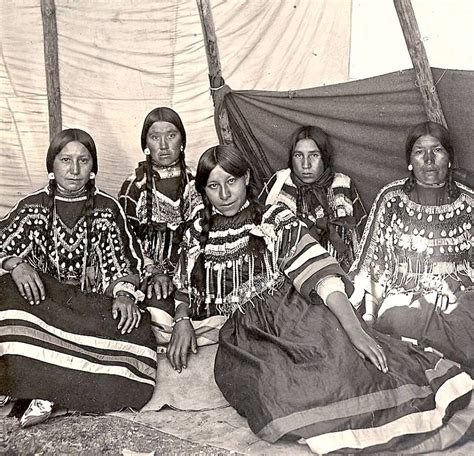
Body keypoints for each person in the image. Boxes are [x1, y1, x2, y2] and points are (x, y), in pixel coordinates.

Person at [169, 144, 472, 454]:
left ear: (246, 177)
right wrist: (181, 320)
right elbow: (183, 286)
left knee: (342, 365)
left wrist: (356, 332)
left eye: (231, 181)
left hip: (296, 313)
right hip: (246, 335)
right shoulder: (197, 231)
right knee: (271, 387)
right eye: (213, 186)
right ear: (203, 190)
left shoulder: (274, 219)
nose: (224, 193)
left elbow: (322, 277)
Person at [0, 129, 157, 427]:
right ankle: (35, 386)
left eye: (83, 160)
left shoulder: (107, 209)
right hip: (45, 306)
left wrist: (123, 294)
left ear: (93, 166)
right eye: (65, 160)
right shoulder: (33, 207)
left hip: (89, 310)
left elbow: (123, 264)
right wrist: (14, 263)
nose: (74, 170)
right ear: (52, 165)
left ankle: (43, 388)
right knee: (4, 290)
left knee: (135, 326)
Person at [350, 121, 473, 371]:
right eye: (419, 152)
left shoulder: (469, 204)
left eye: (437, 150)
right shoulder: (391, 199)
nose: (428, 159)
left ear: (450, 158)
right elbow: (374, 267)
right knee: (397, 317)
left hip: (458, 299)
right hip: (406, 302)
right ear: (409, 160)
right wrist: (370, 318)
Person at [119, 107, 203, 331]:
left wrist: (182, 277)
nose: (164, 145)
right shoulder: (133, 186)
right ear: (146, 144)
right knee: (155, 318)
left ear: (182, 141)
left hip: (193, 273)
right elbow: (127, 241)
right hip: (149, 274)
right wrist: (154, 272)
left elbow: (206, 235)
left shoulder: (199, 182)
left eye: (171, 136)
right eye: (155, 137)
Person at [264, 125, 366, 271]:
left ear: (324, 157)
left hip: (341, 272)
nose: (306, 165)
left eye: (314, 155)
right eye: (298, 155)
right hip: (291, 276)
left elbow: (361, 234)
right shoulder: (280, 183)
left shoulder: (342, 184)